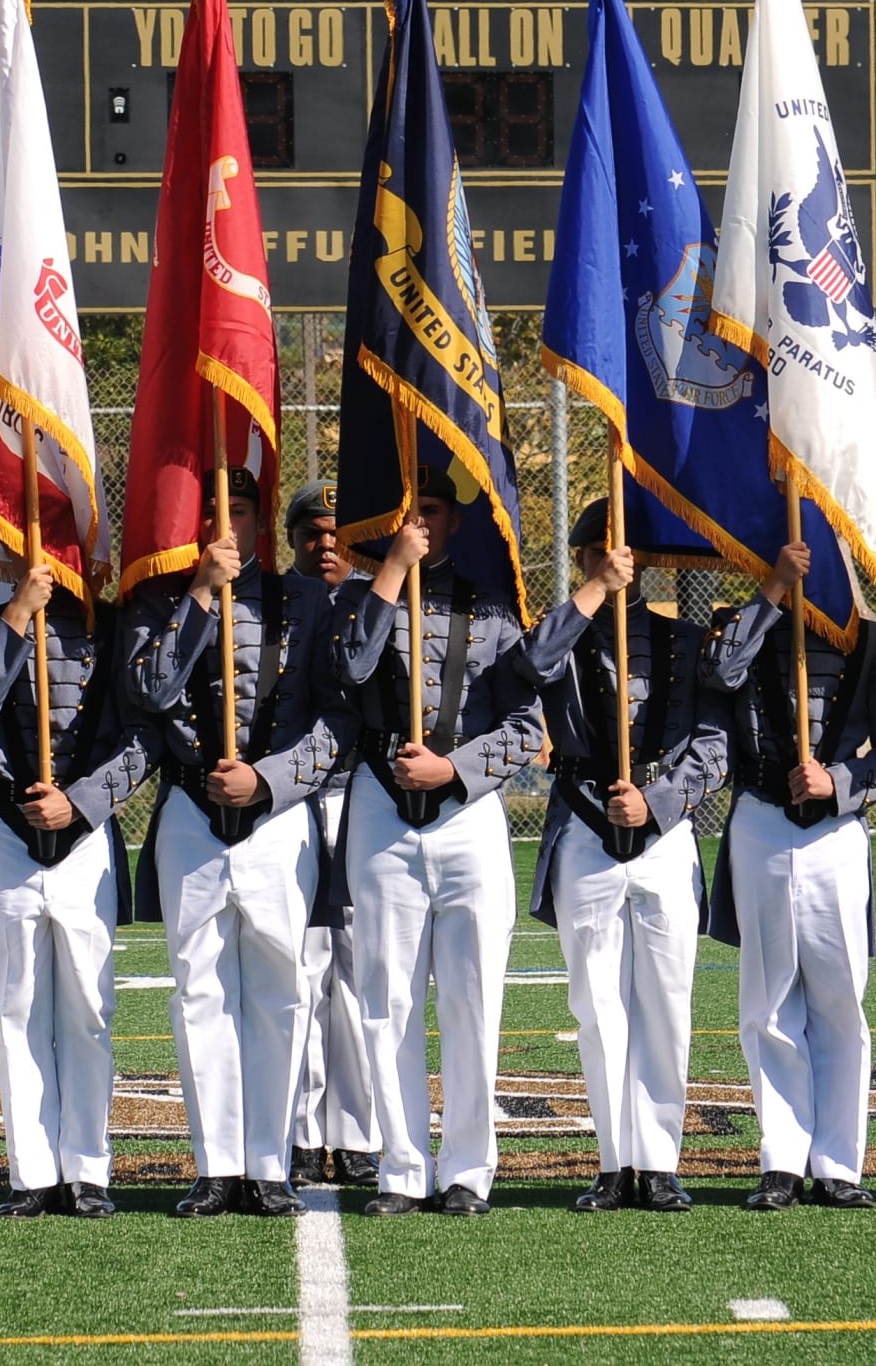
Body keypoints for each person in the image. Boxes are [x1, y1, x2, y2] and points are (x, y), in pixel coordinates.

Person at [123, 466, 356, 1218]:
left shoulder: (309, 600)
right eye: (215, 510)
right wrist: (197, 593)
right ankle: (214, 1165)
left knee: (280, 992)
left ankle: (268, 1161)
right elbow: (150, 694)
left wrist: (269, 781)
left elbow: (336, 720)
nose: (230, 524)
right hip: (192, 812)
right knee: (200, 995)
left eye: (244, 510)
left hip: (276, 814)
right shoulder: (158, 599)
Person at [331, 464, 544, 1217]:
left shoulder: (491, 609)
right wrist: (391, 570)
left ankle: (467, 1170)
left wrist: (453, 766)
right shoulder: (362, 599)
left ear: (454, 521)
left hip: (467, 814)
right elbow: (350, 669)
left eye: (429, 511)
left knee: (472, 999)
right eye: (405, 512)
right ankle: (399, 1167)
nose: (418, 522)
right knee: (386, 999)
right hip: (383, 813)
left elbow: (527, 730)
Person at [700, 540, 876, 1212]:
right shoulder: (745, 624)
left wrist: (843, 781)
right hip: (763, 820)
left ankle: (838, 1163)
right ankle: (781, 1160)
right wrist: (772, 590)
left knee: (839, 1004)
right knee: (767, 1006)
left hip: (835, 830)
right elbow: (717, 674)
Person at [0, 558, 153, 1219]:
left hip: (84, 833)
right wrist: (15, 615)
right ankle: (31, 1172)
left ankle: (88, 1169)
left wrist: (83, 803)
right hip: (9, 827)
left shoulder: (114, 628)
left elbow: (144, 739)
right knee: (17, 1008)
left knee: (89, 1011)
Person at [517, 499, 713, 1214]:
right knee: (598, 1005)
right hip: (585, 830)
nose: (614, 561)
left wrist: (660, 804)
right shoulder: (562, 637)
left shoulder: (685, 642)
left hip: (662, 836)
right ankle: (612, 1161)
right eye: (598, 552)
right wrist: (595, 591)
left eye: (622, 553)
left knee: (665, 1001)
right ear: (582, 560)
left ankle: (659, 1161)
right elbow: (529, 663)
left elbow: (712, 747)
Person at [284, 479, 379, 1188]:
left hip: (356, 798)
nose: (324, 546)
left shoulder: (376, 601)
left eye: (336, 535)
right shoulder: (269, 604)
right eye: (312, 533)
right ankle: (296, 1131)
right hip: (285, 803)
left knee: (355, 974)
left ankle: (355, 1133)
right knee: (296, 973)